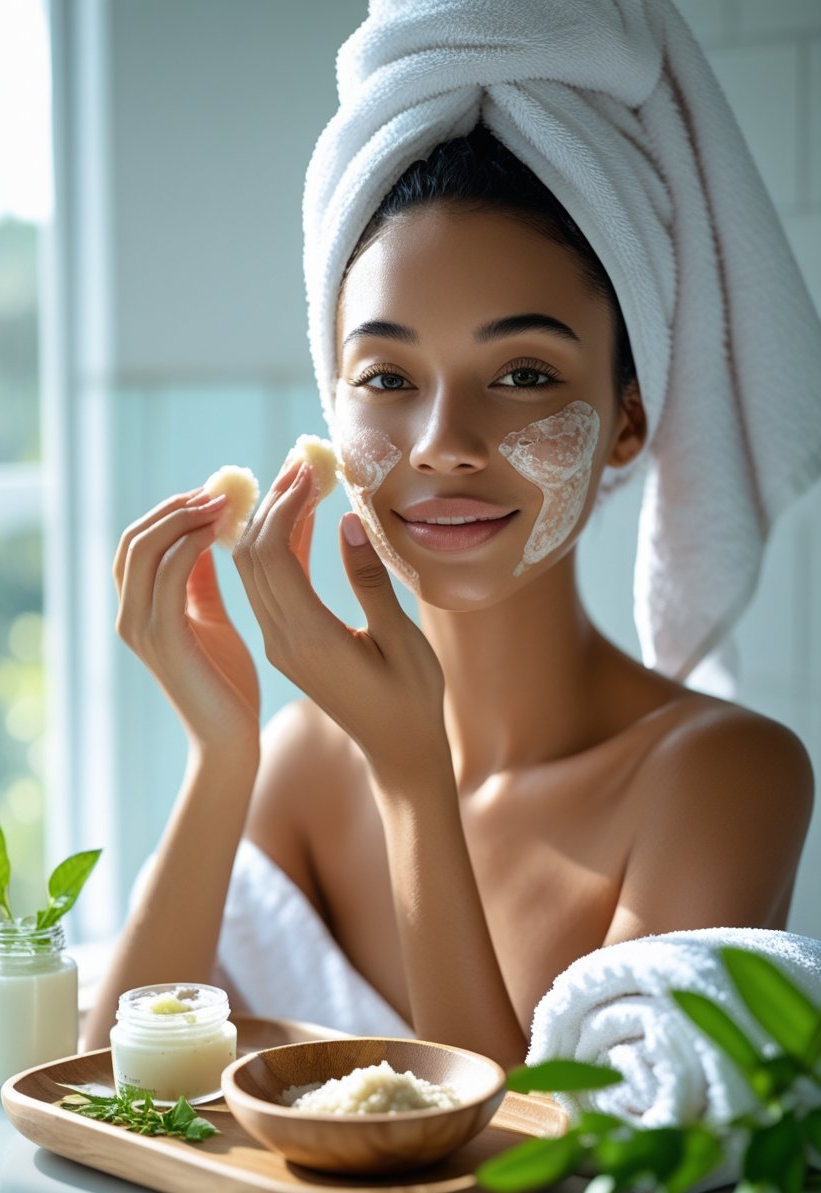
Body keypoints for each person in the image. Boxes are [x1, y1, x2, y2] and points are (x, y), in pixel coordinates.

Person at [84, 12, 818, 1067]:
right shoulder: (300, 760)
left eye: (522, 373)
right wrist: (221, 752)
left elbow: (533, 1169)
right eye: (386, 377)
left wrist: (412, 778)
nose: (442, 445)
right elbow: (114, 1089)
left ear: (628, 412)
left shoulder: (721, 779)